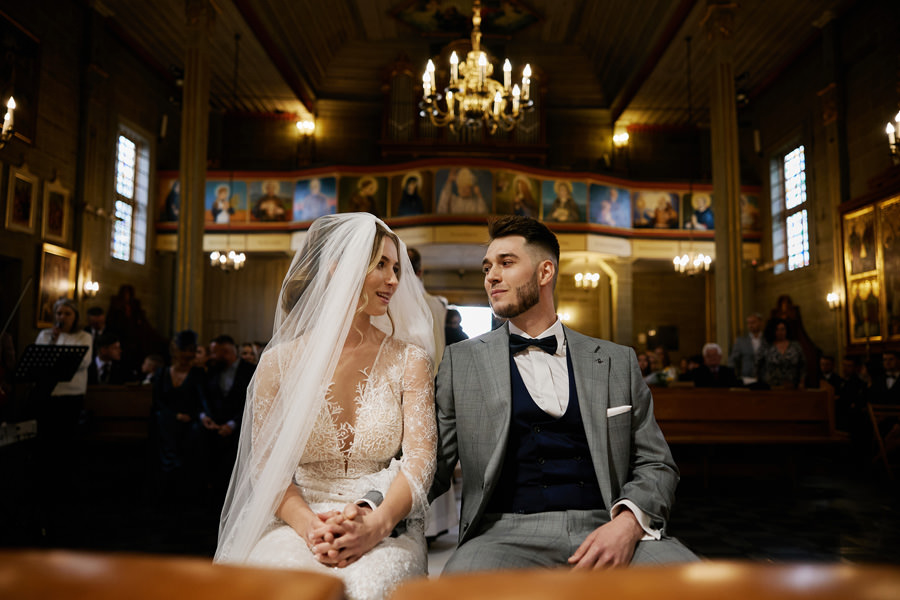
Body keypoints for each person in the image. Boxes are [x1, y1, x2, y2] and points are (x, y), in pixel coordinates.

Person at [431, 216, 696, 572]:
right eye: (487, 267)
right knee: (459, 590)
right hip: (502, 533)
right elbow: (431, 466)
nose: (491, 276)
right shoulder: (460, 362)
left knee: (700, 586)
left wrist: (628, 524)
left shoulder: (616, 361)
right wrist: (373, 506)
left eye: (506, 263)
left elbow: (656, 463)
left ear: (545, 272)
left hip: (608, 522)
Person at [215, 213, 436, 600]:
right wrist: (311, 527)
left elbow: (421, 460)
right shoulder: (278, 364)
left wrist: (376, 524)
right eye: (381, 265)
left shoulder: (410, 360)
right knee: (280, 586)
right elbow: (265, 466)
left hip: (384, 516)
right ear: (339, 268)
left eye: (396, 268)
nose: (394, 280)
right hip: (296, 517)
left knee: (369, 587)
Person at [198, 334, 256, 504]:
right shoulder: (211, 369)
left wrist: (233, 424)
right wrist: (205, 416)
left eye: (215, 352)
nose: (212, 356)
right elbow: (203, 397)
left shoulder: (250, 370)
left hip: (240, 430)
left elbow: (252, 402)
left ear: (226, 352)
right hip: (214, 429)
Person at [151, 330, 205, 503]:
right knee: (162, 423)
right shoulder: (162, 373)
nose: (187, 354)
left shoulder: (198, 374)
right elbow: (158, 402)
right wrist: (175, 415)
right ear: (175, 351)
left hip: (190, 424)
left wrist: (190, 416)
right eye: (183, 350)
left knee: (193, 437)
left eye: (191, 350)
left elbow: (203, 402)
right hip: (166, 422)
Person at [756, 318, 805, 390]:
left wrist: (801, 382)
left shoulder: (795, 346)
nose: (780, 332)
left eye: (782, 329)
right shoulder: (766, 346)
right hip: (770, 386)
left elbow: (803, 365)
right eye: (777, 330)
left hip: (791, 386)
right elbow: (757, 365)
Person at [729, 312, 763, 384]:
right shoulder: (741, 341)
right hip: (747, 378)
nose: (751, 325)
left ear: (760, 323)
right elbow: (733, 360)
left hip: (764, 377)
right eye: (748, 323)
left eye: (753, 322)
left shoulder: (767, 340)